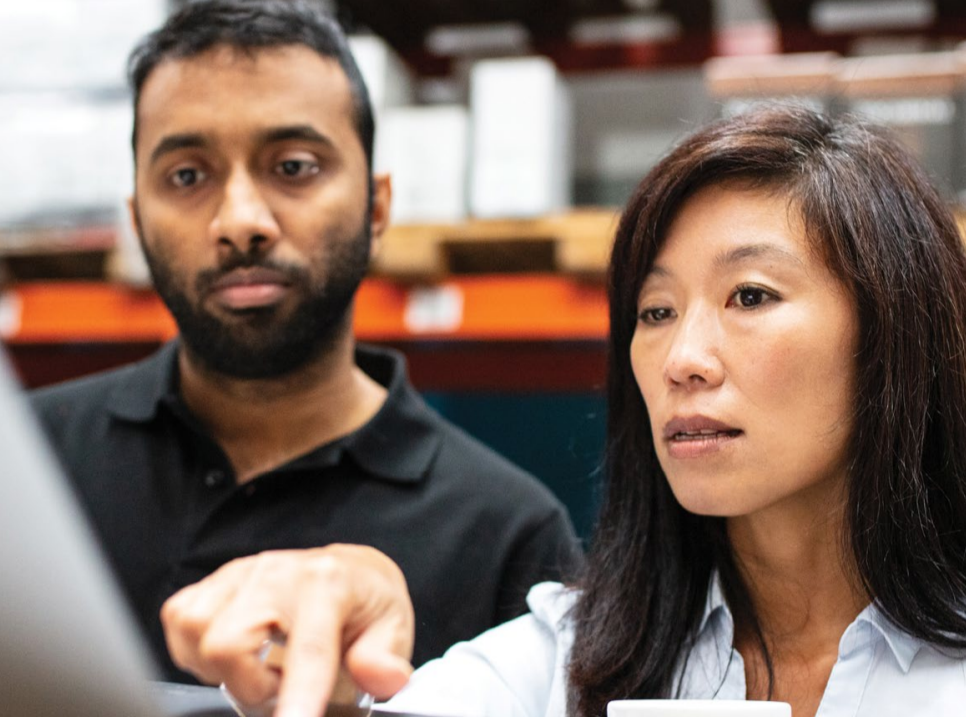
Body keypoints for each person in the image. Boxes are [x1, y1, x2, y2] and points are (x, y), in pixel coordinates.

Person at [160, 104, 966, 717]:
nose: (683, 359)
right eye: (655, 312)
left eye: (749, 295)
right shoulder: (574, 656)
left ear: (892, 334)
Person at [29, 0, 582, 683]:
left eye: (292, 167)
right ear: (138, 221)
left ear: (377, 208)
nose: (241, 222)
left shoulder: (509, 535)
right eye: (187, 176)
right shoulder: (28, 464)